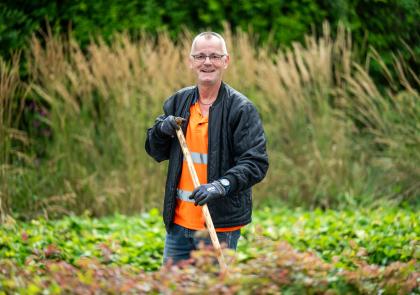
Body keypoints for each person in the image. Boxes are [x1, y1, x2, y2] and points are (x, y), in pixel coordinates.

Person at [145, 32, 269, 265]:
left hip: (219, 227)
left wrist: (220, 186)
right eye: (200, 56)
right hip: (178, 226)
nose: (207, 62)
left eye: (214, 56)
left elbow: (255, 163)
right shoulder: (178, 102)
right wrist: (162, 130)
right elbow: (155, 151)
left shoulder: (241, 109)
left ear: (226, 61)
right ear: (191, 61)